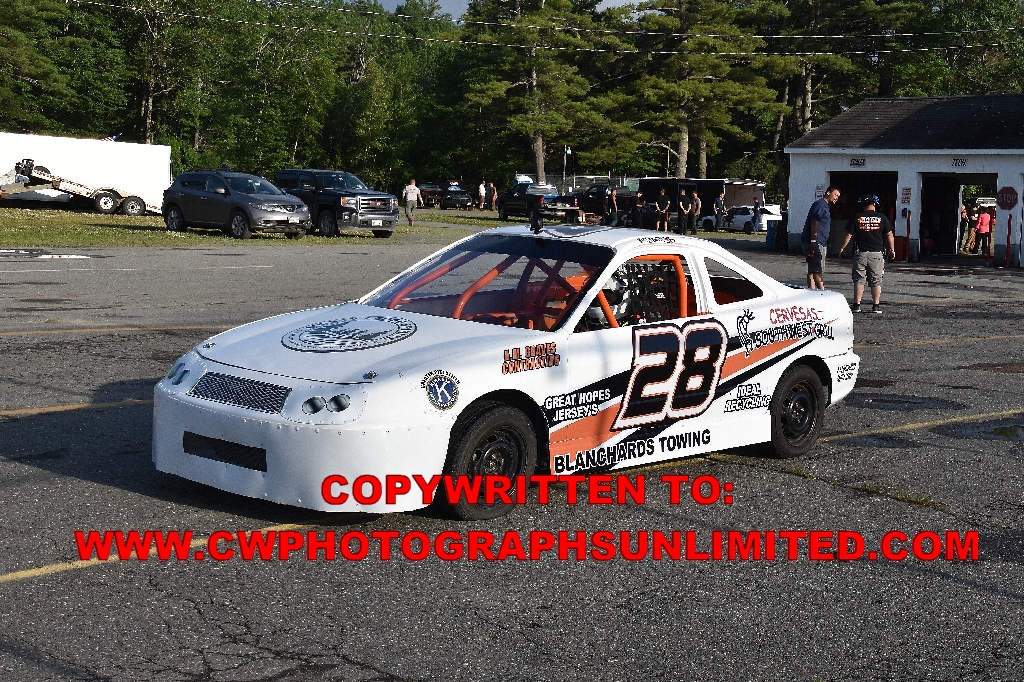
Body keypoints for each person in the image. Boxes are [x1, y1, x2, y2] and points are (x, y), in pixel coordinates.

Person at [838, 194, 895, 314]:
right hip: (877, 253)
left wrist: (842, 248)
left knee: (859, 279)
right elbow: (889, 234)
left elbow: (848, 234)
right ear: (874, 204)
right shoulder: (882, 217)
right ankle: (876, 306)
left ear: (862, 205)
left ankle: (857, 305)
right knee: (876, 280)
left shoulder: (857, 217)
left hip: (861, 253)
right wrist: (892, 250)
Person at [801, 185, 841, 290]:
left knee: (812, 270)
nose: (836, 198)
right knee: (817, 270)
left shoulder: (825, 206)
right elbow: (815, 220)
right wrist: (813, 240)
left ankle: (812, 292)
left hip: (818, 241)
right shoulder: (821, 205)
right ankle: (822, 292)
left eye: (838, 196)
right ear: (828, 193)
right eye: (835, 195)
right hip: (816, 242)